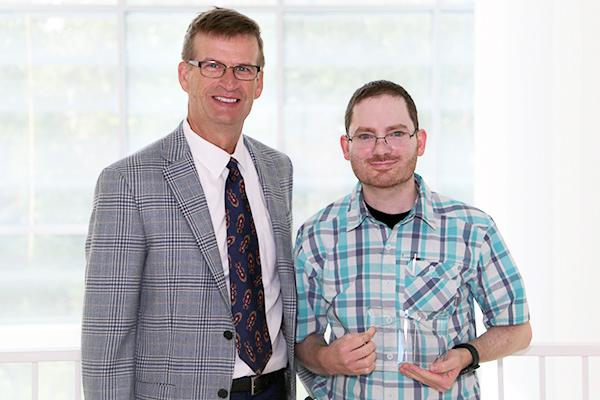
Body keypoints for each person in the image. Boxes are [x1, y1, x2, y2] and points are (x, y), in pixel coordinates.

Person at [82, 8, 295, 400]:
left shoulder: (277, 170)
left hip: (273, 388)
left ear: (259, 82)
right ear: (185, 75)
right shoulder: (128, 182)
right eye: (213, 65)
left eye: (244, 69)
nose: (230, 82)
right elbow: (107, 333)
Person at [294, 80, 531, 399]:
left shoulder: (472, 229)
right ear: (345, 146)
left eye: (395, 133)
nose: (381, 149)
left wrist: (465, 356)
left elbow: (517, 329)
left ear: (419, 141)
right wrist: (326, 358)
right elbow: (300, 341)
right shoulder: (316, 235)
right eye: (365, 136)